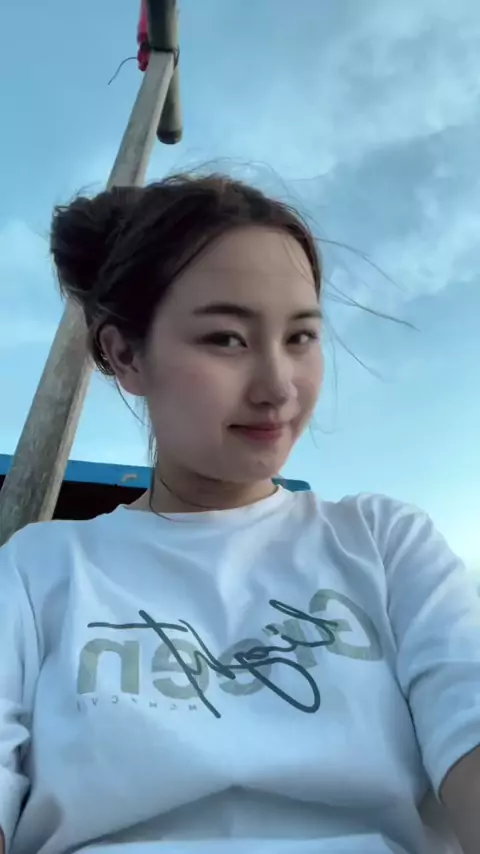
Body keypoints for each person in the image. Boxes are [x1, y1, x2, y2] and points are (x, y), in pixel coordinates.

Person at [0, 173, 479, 854]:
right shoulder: (36, 570)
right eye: (226, 338)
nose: (278, 386)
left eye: (301, 337)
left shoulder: (383, 543)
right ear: (126, 354)